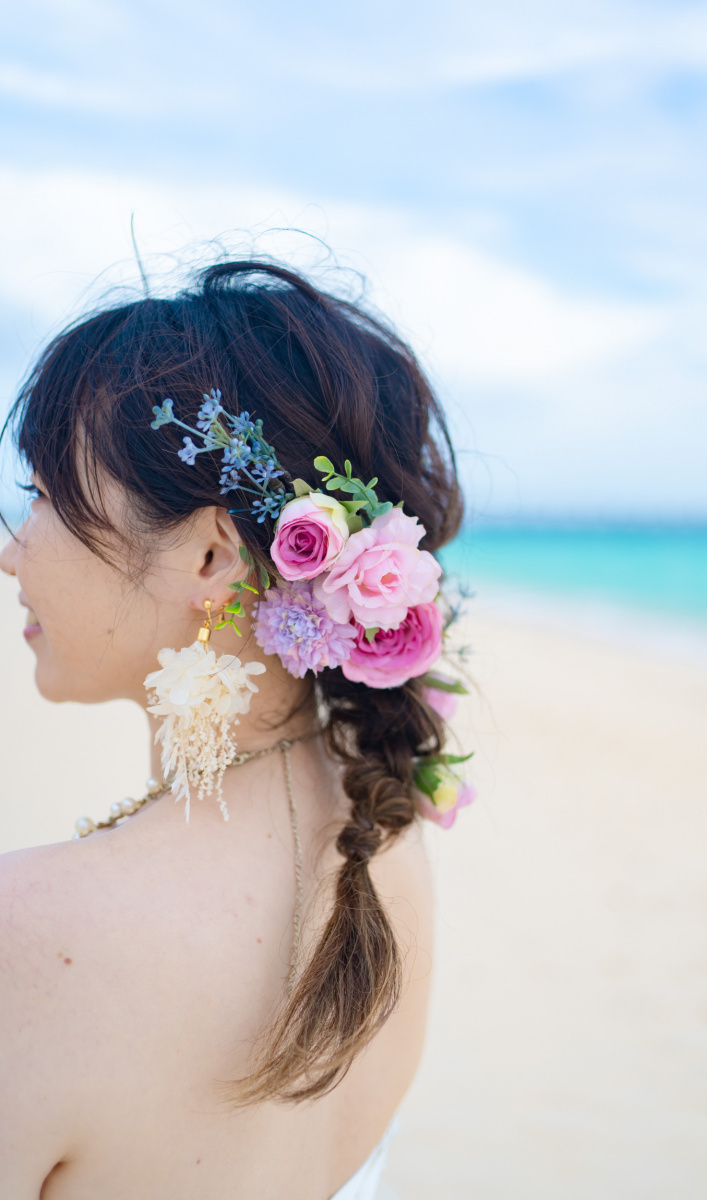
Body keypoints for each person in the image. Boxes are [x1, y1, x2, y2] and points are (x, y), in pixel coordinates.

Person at [0, 259, 471, 1199]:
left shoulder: (31, 934)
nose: (14, 552)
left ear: (213, 555)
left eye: (49, 497)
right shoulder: (386, 831)